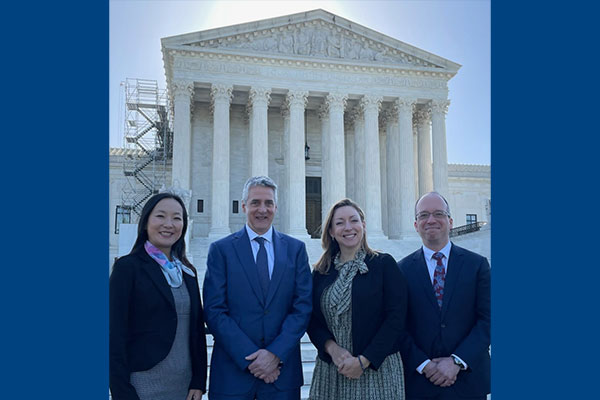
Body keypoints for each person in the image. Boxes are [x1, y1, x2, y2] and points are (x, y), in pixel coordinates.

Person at [203, 176, 312, 400]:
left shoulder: (296, 250)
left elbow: (302, 308)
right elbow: (215, 310)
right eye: (255, 203)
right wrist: (252, 358)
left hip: (281, 377)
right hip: (232, 377)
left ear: (276, 207)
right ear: (244, 206)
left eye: (268, 203)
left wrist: (275, 354)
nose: (262, 209)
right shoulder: (221, 251)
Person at [110, 192, 207, 400]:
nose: (169, 224)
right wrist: (121, 392)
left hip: (184, 387)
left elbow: (197, 330)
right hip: (142, 385)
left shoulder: (188, 272)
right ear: (146, 222)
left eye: (177, 218)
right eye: (160, 216)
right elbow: (113, 335)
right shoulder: (127, 269)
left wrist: (199, 381)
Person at [307, 198, 407, 400]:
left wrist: (364, 360)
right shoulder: (321, 272)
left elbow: (396, 318)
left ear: (363, 226)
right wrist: (332, 349)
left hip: (377, 372)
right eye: (340, 222)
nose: (348, 227)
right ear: (331, 232)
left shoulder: (384, 265)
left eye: (354, 220)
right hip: (332, 370)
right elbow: (311, 320)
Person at [397, 192, 490, 400]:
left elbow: (488, 320)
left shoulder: (477, 265)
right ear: (415, 225)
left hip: (468, 382)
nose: (431, 220)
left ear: (450, 221)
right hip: (420, 383)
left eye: (438, 213)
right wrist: (425, 365)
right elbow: (397, 326)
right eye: (423, 215)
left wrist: (456, 361)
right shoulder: (400, 271)